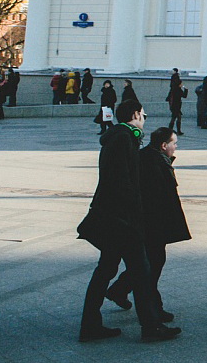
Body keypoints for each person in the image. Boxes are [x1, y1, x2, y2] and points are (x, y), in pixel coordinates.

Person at [76, 99, 181, 343]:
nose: (144, 119)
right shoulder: (123, 139)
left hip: (115, 217)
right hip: (122, 220)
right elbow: (121, 181)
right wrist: (134, 215)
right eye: (143, 114)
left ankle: (90, 325)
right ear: (135, 114)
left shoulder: (121, 137)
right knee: (141, 273)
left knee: (105, 272)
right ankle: (151, 327)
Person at [105, 127, 191, 323]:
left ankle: (119, 290)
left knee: (147, 264)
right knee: (153, 265)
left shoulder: (151, 157)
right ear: (163, 145)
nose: (176, 147)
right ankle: (153, 309)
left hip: (150, 224)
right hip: (153, 226)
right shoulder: (153, 162)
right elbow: (155, 199)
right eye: (174, 143)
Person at [165, 70, 186, 135]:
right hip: (176, 106)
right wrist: (186, 90)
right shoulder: (178, 90)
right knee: (177, 117)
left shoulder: (175, 90)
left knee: (174, 118)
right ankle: (176, 130)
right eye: (181, 84)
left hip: (175, 106)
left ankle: (171, 130)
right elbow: (184, 96)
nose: (182, 85)